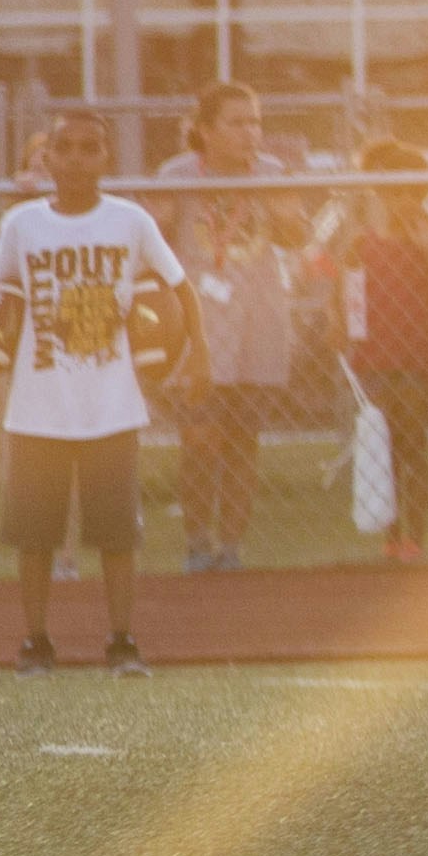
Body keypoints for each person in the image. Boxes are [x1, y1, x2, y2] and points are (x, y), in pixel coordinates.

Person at [0, 109, 190, 677]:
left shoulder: (130, 219)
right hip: (37, 404)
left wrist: (199, 352)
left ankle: (121, 640)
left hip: (110, 403)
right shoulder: (22, 224)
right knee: (35, 535)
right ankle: (36, 641)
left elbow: (177, 285)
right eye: (62, 149)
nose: (74, 159)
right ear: (45, 159)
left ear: (106, 157)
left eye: (88, 148)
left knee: (116, 534)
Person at [145, 78, 300, 572]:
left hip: (259, 320)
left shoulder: (272, 172)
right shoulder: (178, 172)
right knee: (199, 437)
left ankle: (232, 546)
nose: (249, 133)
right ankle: (196, 542)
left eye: (255, 122)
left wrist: (284, 213)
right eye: (236, 123)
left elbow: (298, 234)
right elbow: (151, 235)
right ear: (206, 130)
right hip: (200, 327)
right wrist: (160, 216)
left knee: (241, 439)